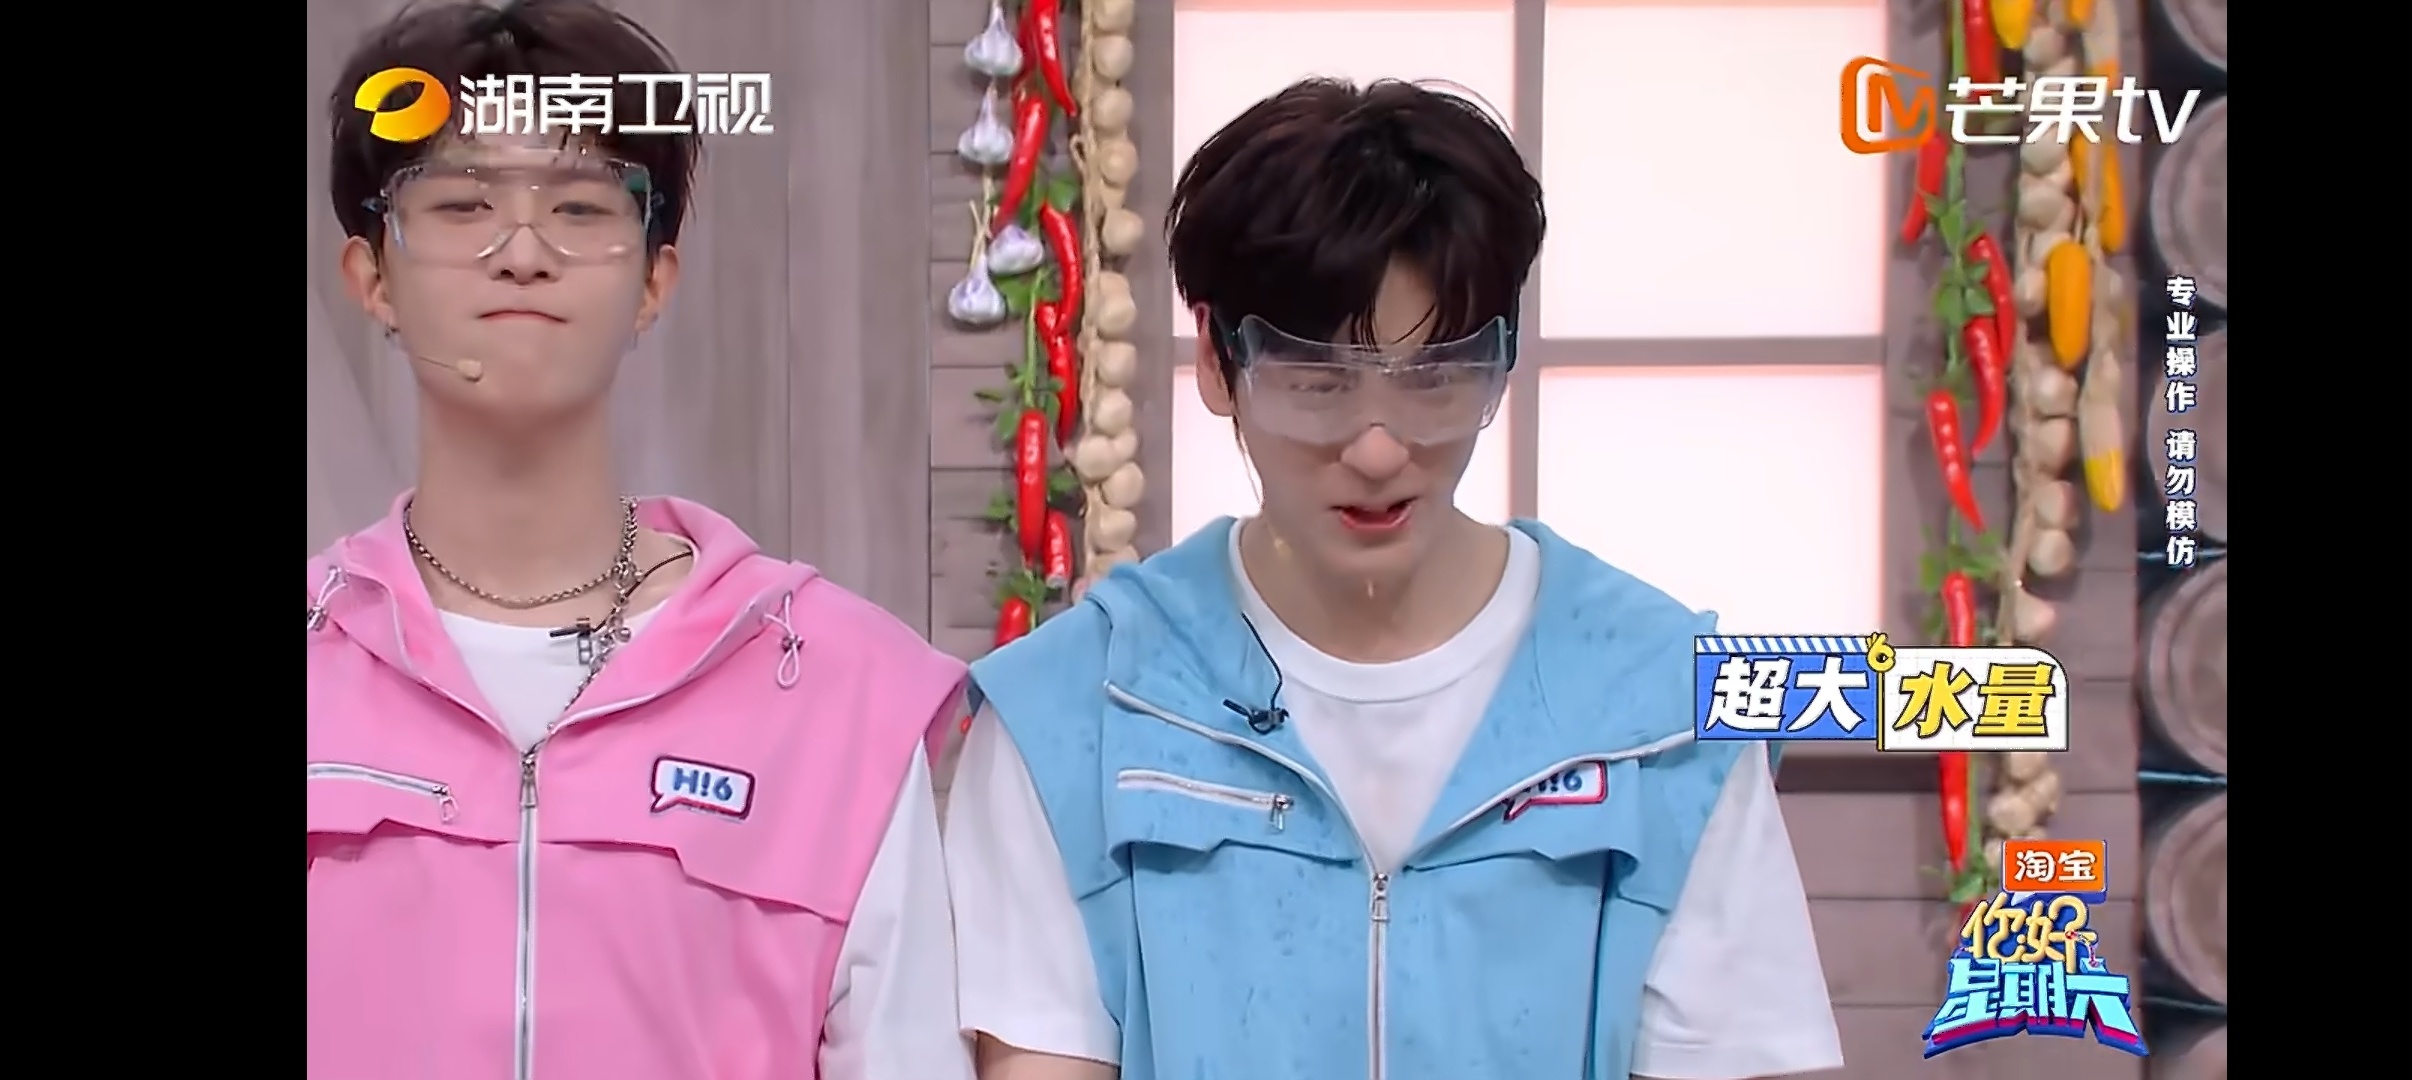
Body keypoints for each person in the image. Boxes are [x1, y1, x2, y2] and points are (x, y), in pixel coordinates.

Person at [943, 79, 1845, 1080]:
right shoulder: (1073, 712)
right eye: (1317, 381)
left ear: (1501, 359)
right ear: (1216, 360)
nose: (1377, 448)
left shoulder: (1667, 705)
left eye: (1434, 377)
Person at [305, 4, 972, 1078]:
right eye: (463, 204)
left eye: (579, 207)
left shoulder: (837, 692)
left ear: (654, 281)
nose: (523, 253)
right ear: (374, 278)